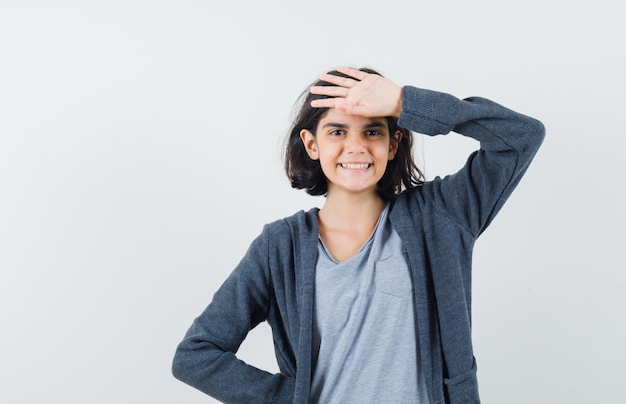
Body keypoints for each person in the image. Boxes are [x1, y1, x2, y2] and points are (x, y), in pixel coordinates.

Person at [171, 66, 545, 404]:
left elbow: (520, 137)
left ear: (392, 143)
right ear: (312, 144)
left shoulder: (441, 216)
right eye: (337, 131)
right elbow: (197, 355)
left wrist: (404, 100)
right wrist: (292, 398)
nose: (357, 146)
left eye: (372, 130)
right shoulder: (280, 246)